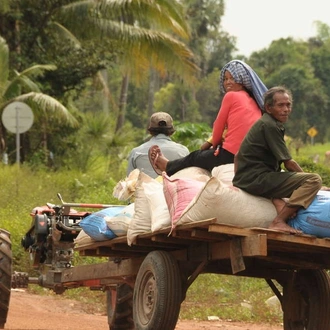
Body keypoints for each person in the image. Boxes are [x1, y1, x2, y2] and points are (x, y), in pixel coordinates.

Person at [148, 60, 268, 176]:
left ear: (241, 79)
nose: (228, 82)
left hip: (230, 155)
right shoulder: (254, 101)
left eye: (232, 78)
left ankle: (167, 166)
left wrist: (214, 145)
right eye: (225, 79)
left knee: (195, 156)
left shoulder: (231, 96)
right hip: (251, 156)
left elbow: (218, 125)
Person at [233, 86, 322, 234]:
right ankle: (278, 221)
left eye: (288, 105)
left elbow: (237, 156)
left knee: (288, 186)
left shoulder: (266, 123)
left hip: (250, 178)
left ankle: (278, 202)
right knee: (314, 180)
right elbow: (289, 163)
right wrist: (309, 181)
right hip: (256, 179)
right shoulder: (270, 125)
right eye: (281, 105)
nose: (286, 109)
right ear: (268, 108)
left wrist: (238, 180)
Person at [126, 112, 189, 179]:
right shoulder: (184, 151)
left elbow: (130, 181)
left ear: (150, 131)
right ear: (171, 131)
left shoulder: (136, 152)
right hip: (174, 189)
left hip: (146, 189)